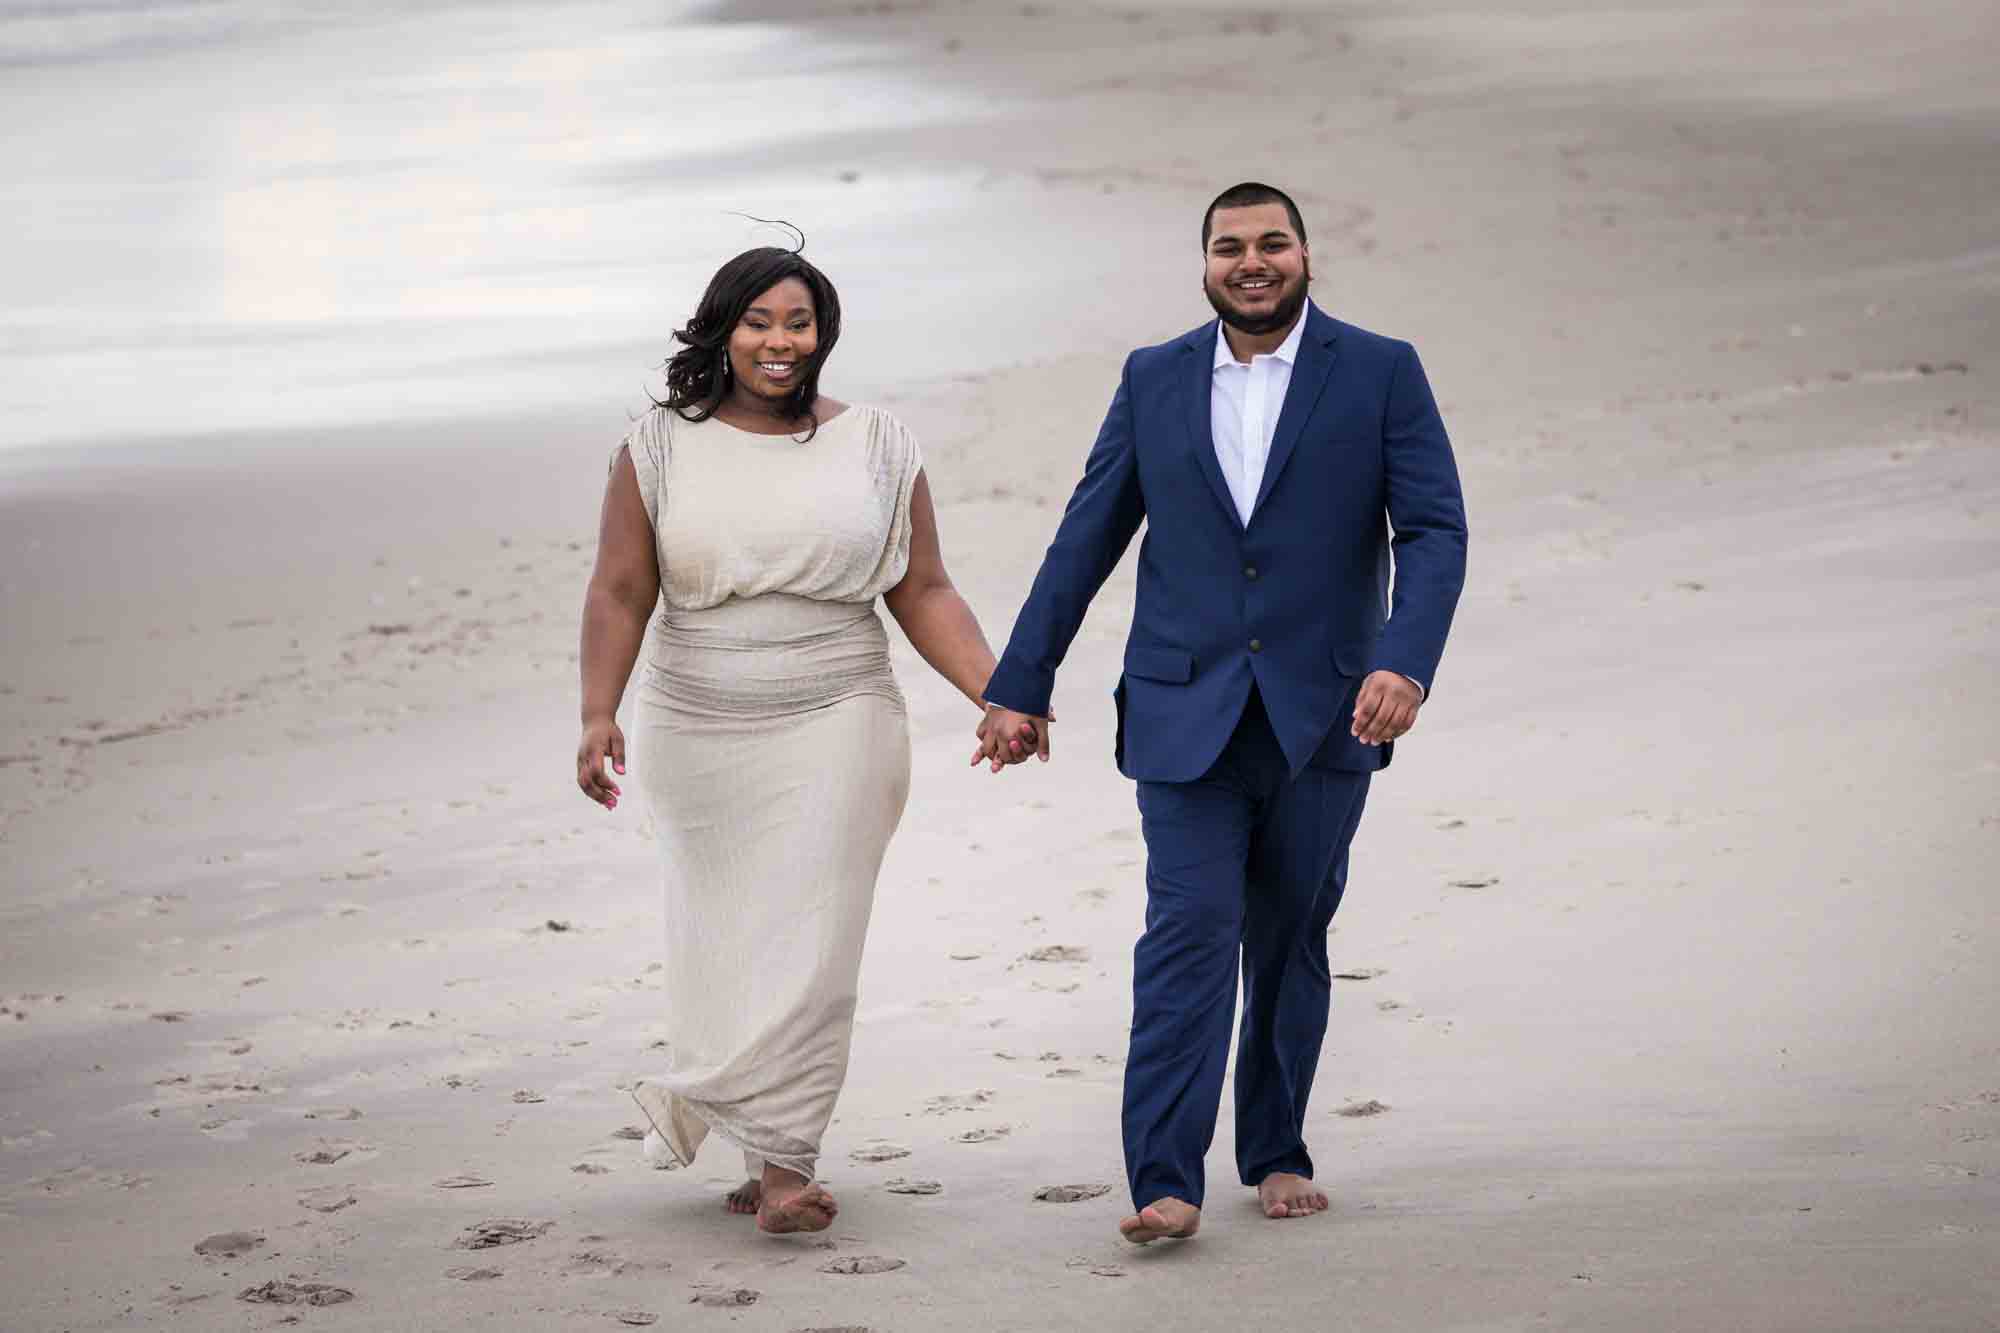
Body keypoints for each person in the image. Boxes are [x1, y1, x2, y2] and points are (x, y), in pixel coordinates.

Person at [976, 182, 1468, 1245]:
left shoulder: (1380, 370)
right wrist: (1021, 682)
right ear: (1203, 264)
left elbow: (1433, 529)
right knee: (1187, 931)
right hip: (1179, 708)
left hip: (1329, 710)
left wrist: (1406, 664)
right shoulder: (1152, 377)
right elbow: (1086, 535)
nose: (1251, 262)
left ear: (1304, 254)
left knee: (1288, 932)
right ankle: (1164, 1177)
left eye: (1271, 243)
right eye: (1228, 247)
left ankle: (1276, 1148)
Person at [577, 243, 1006, 1234]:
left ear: (823, 334)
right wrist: (598, 712)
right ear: (723, 329)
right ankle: (757, 1125)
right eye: (761, 320)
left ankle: (782, 1167)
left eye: (799, 322)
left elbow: (924, 587)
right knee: (727, 942)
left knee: (814, 936)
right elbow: (619, 588)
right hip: (696, 720)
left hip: (838, 709)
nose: (781, 341)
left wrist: (1000, 692)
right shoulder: (656, 446)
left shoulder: (878, 444)